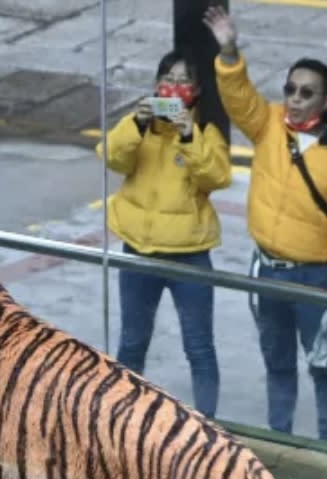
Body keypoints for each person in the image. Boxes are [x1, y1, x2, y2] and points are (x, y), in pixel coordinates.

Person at [203, 6, 327, 443]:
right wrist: (229, 51)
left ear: (325, 101)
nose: (294, 98)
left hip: (315, 279)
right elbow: (237, 97)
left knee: (325, 368)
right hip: (268, 270)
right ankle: (281, 441)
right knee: (278, 363)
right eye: (290, 88)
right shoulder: (270, 124)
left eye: (306, 92)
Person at [97, 50, 231, 418]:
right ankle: (120, 418)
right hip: (139, 250)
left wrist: (188, 134)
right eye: (167, 79)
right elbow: (111, 158)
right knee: (132, 341)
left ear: (197, 90)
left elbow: (216, 177)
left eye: (183, 81)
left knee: (199, 346)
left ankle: (208, 426)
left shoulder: (207, 131)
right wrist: (136, 126)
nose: (174, 88)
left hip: (190, 253)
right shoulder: (141, 125)